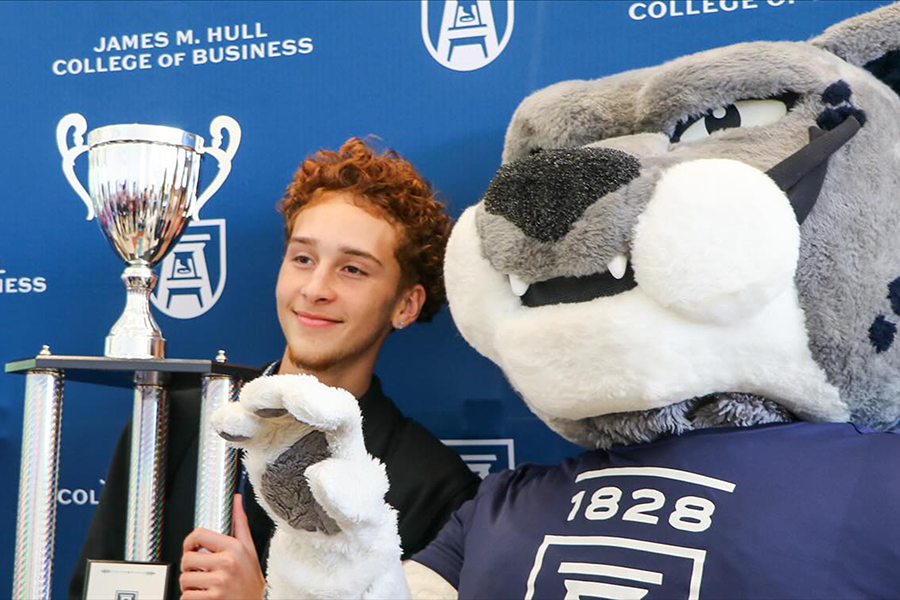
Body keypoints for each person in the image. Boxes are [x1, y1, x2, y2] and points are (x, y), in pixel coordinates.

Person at [68, 137, 481, 600]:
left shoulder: (433, 483)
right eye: (303, 259)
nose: (316, 289)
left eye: (353, 270)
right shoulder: (170, 425)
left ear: (405, 305)